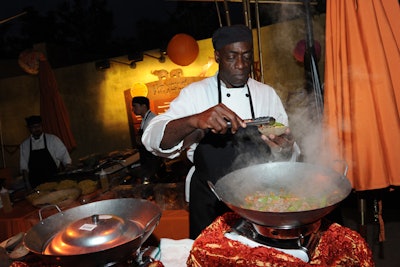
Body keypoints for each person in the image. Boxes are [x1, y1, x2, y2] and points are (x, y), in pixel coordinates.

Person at [142, 24, 300, 239]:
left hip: (260, 198)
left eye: (246, 56)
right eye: (231, 57)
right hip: (210, 199)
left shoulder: (266, 94)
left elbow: (286, 147)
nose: (241, 65)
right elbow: (152, 138)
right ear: (217, 56)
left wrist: (285, 148)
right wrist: (194, 121)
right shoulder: (195, 94)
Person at [20, 115, 72, 190]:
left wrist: (68, 166)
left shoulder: (53, 139)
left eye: (38, 126)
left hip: (54, 181)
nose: (37, 129)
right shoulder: (25, 145)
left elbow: (65, 156)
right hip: (36, 185)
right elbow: (24, 168)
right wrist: (28, 186)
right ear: (29, 128)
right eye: (33, 127)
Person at [132, 96, 163, 182]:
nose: (133, 109)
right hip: (147, 157)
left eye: (135, 106)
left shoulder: (151, 119)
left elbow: (145, 141)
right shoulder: (144, 119)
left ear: (144, 106)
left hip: (152, 158)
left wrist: (140, 140)